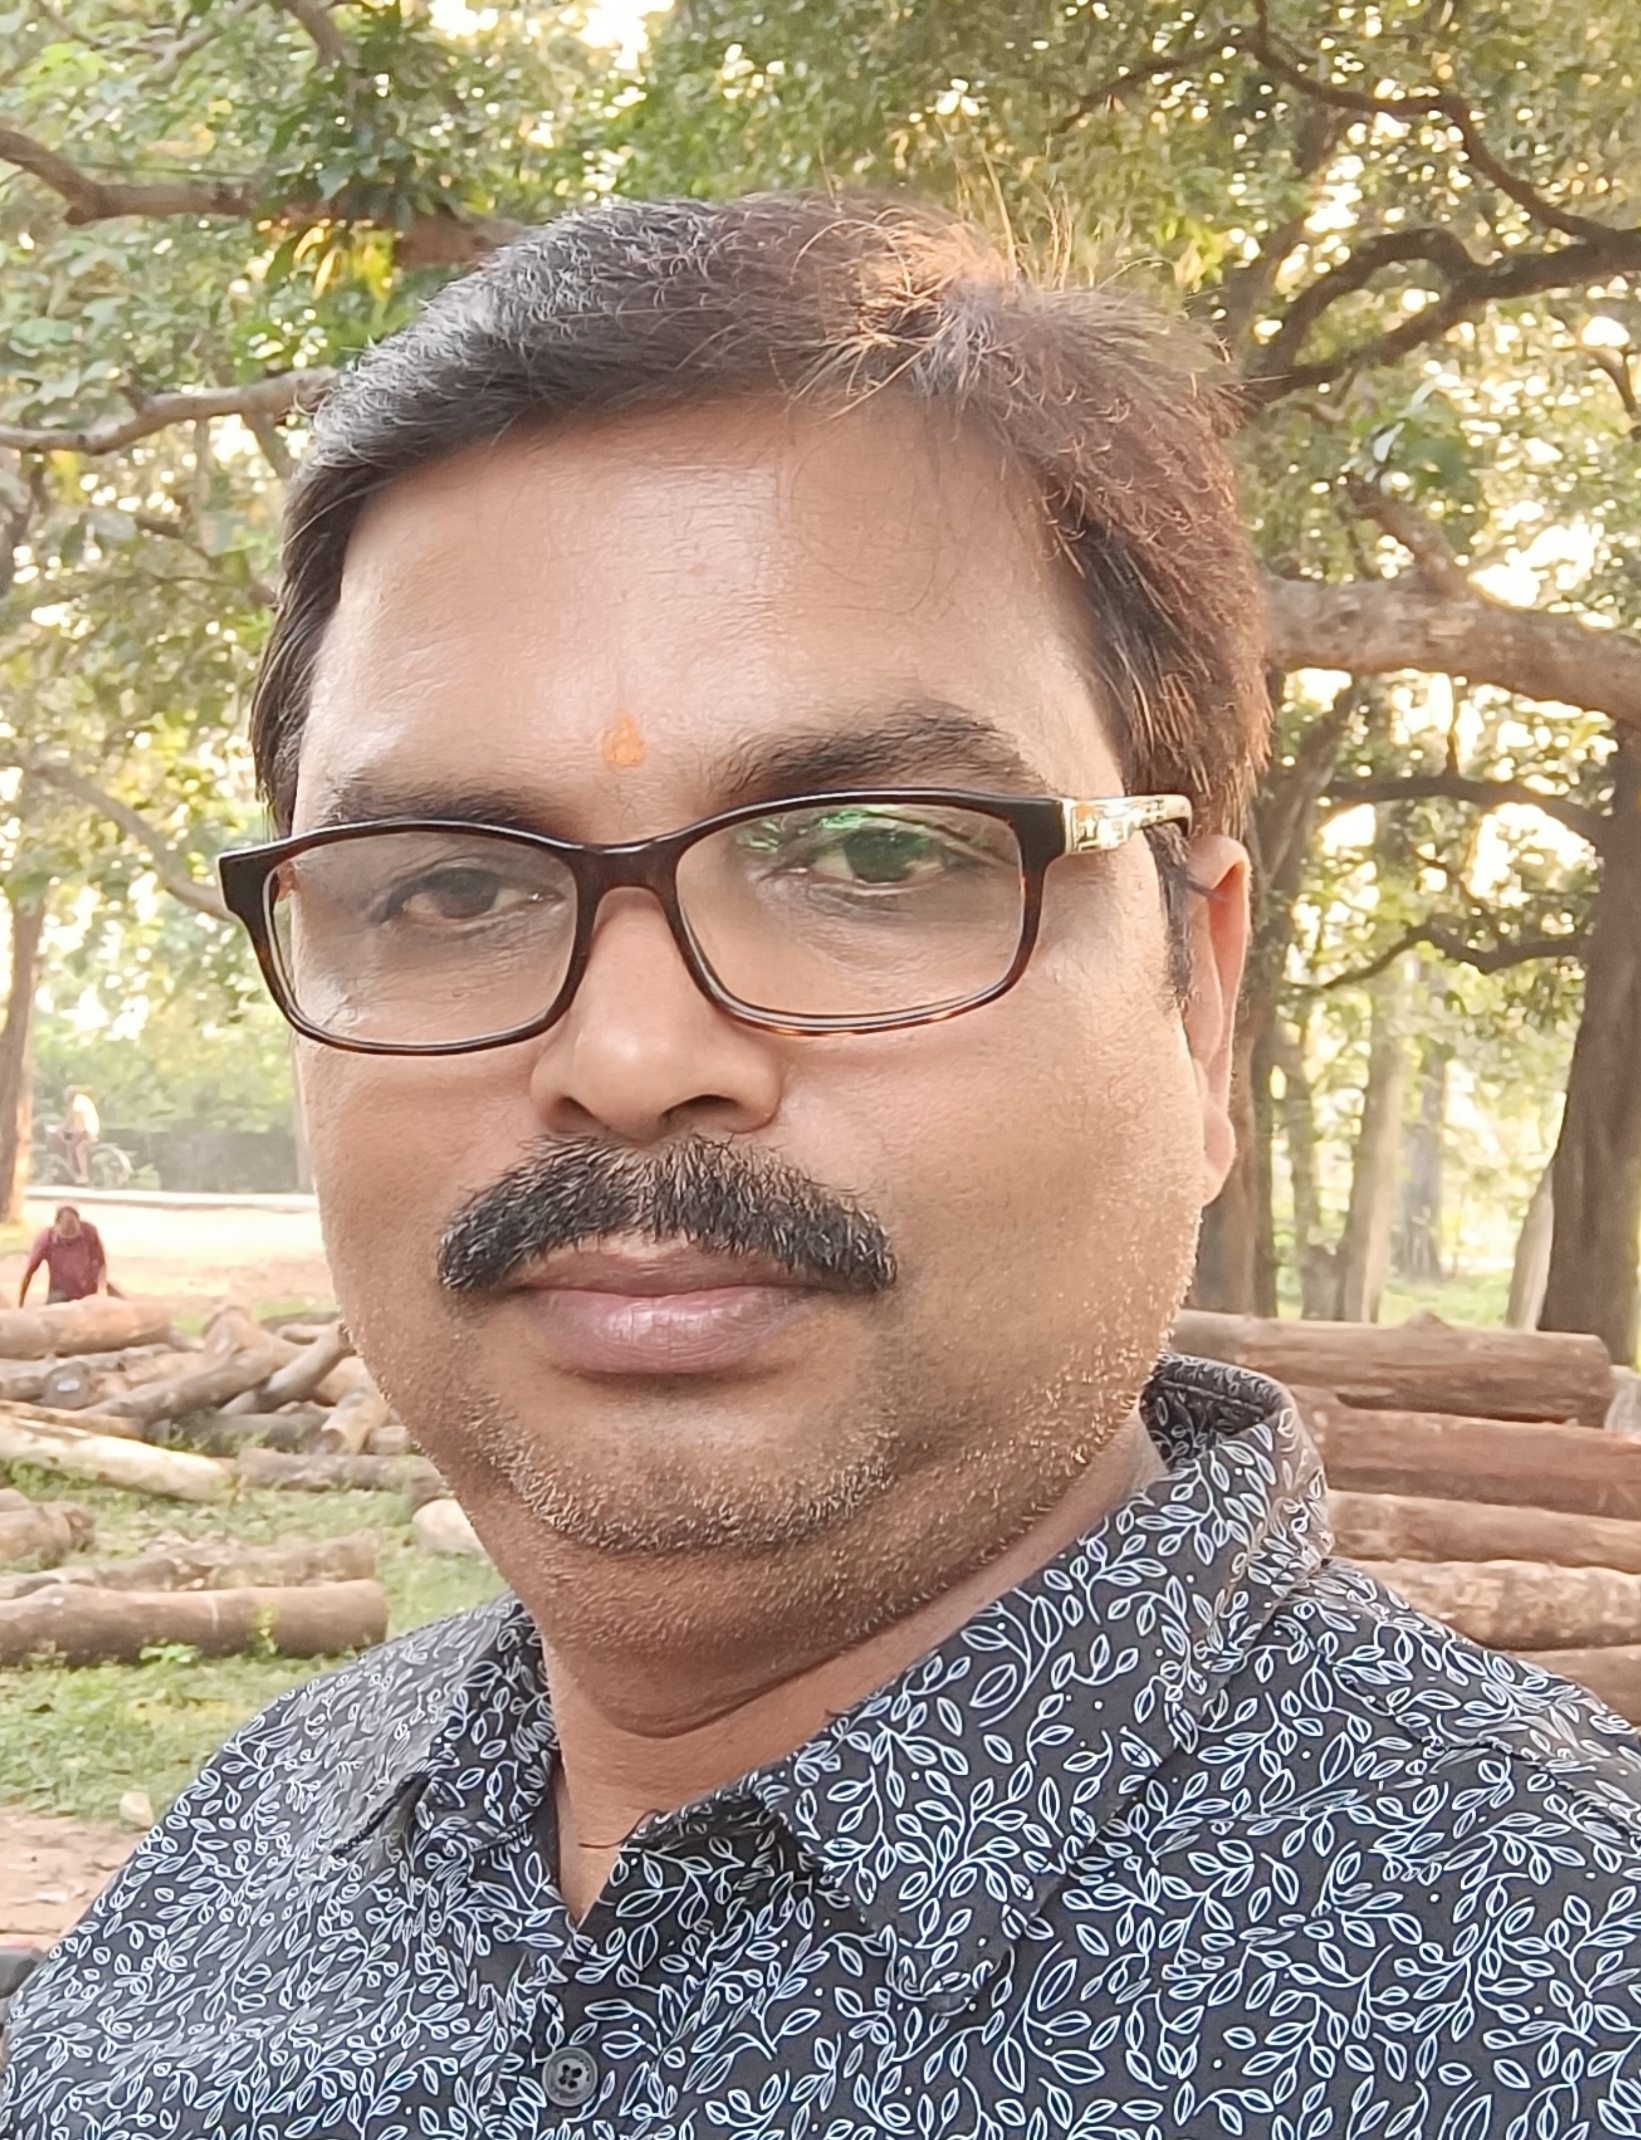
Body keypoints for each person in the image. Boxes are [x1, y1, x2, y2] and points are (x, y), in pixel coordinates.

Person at [5, 194, 1640, 2136]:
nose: (628, 1058)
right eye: (446, 885)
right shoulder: (245, 1845)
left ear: (1199, 1008)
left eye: (871, 854)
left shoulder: (1560, 2011)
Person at [16, 1204, 106, 1306]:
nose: (70, 1239)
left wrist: (102, 1288)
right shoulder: (46, 1239)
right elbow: (29, 1272)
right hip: (60, 1292)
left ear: (80, 1224)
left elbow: (101, 1262)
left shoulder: (89, 1232)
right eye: (66, 1233)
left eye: (73, 1233)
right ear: (56, 1225)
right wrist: (21, 1302)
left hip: (87, 1292)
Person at [59, 1088, 99, 1187]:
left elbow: (78, 1123)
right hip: (88, 1129)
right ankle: (73, 1167)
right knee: (68, 1138)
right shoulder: (79, 1101)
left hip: (88, 1130)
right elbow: (69, 1119)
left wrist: (64, 1131)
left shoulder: (78, 1102)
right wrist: (62, 1128)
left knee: (78, 1148)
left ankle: (83, 1175)